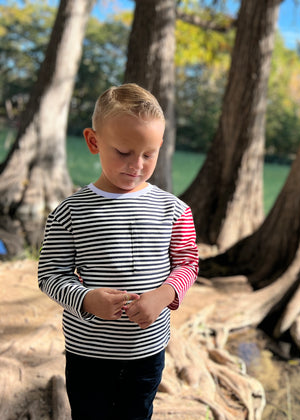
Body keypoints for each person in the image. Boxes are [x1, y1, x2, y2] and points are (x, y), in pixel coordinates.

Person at [38, 83, 199, 420]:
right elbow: (51, 274)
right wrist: (85, 299)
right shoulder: (70, 211)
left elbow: (187, 263)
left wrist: (163, 294)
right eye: (123, 152)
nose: (136, 165)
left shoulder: (174, 210)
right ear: (94, 142)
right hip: (88, 352)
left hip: (147, 350)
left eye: (148, 154)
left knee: (137, 413)